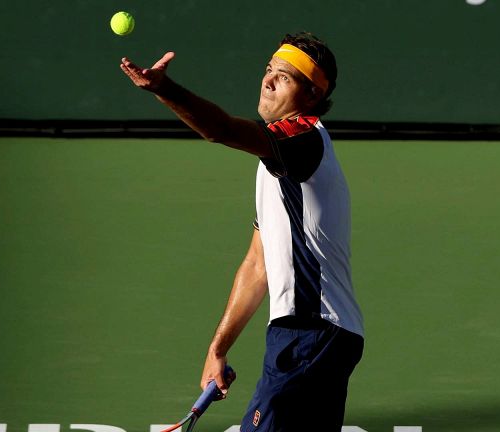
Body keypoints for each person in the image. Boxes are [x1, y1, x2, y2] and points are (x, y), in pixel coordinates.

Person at [120, 32, 364, 432]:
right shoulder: (276, 164)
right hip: (322, 335)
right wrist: (218, 349)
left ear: (312, 95)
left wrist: (164, 89)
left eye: (284, 77)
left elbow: (220, 129)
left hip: (310, 332)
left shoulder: (303, 139)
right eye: (269, 70)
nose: (267, 80)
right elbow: (257, 264)